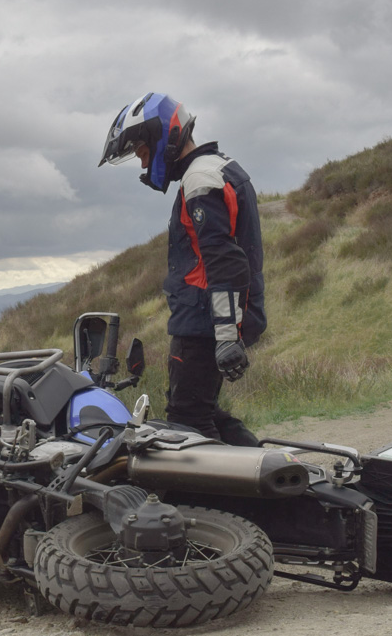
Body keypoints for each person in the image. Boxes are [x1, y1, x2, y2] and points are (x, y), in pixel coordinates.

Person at [98, 93, 266, 446]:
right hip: (216, 319)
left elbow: (224, 263)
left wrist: (225, 336)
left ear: (162, 138)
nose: (144, 165)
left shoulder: (199, 181)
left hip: (204, 324)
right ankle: (267, 478)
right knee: (203, 411)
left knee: (187, 421)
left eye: (142, 152)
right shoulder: (219, 167)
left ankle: (235, 496)